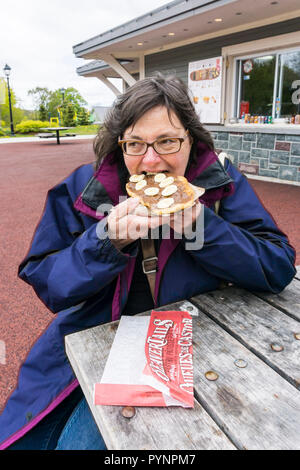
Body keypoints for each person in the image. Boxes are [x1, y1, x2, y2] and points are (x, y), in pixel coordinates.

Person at [0, 73, 296, 450]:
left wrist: (203, 227)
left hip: (201, 345)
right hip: (96, 338)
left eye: (167, 141)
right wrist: (106, 241)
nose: (151, 161)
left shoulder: (220, 181)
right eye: (135, 144)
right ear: (119, 145)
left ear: (191, 140)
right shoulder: (85, 187)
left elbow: (278, 266)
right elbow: (48, 284)